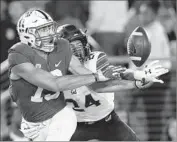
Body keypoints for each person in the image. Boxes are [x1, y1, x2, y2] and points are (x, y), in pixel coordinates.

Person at [8, 9, 115, 141]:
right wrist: (97, 76)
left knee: (66, 118)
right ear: (28, 34)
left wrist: (123, 76)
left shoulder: (59, 48)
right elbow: (54, 83)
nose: (50, 33)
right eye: (43, 30)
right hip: (31, 122)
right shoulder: (18, 55)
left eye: (49, 28)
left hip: (55, 116)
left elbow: (80, 70)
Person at [56, 24, 169, 141]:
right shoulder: (54, 70)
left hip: (107, 122)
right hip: (75, 126)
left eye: (78, 45)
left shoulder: (95, 60)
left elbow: (110, 78)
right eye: (70, 47)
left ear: (85, 44)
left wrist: (136, 78)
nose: (76, 52)